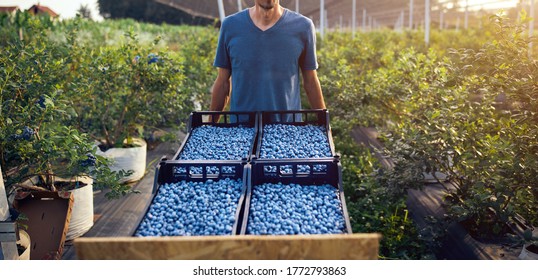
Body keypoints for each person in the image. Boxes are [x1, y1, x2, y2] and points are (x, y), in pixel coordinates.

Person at [210, 0, 326, 115]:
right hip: (241, 128)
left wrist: (325, 126)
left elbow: (310, 81)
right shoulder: (230, 25)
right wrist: (210, 127)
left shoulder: (303, 27)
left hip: (287, 128)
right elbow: (223, 82)